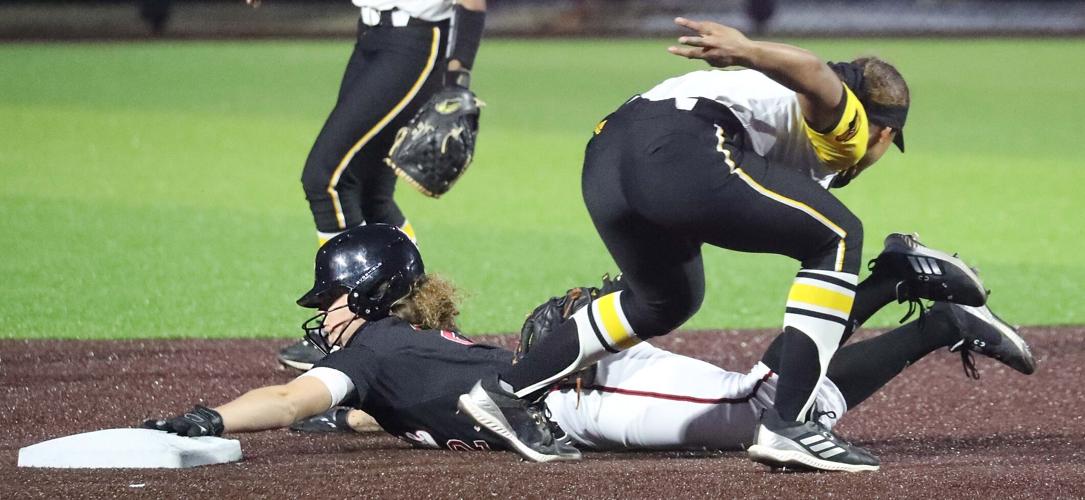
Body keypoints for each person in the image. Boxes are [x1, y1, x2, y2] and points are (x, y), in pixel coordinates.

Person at [455, 17, 991, 472]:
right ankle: (787, 425)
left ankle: (506, 392)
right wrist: (749, 50)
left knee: (664, 301)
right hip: (679, 145)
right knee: (839, 235)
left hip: (605, 159)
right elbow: (816, 75)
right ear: (884, 135)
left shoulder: (789, 132)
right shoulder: (849, 124)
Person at [144, 225, 1036, 470]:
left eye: (332, 297)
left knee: (767, 415)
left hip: (585, 394)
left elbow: (291, 398)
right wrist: (350, 426)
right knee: (796, 409)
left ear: (370, 296)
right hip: (578, 387)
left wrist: (199, 419)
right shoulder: (393, 362)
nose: (322, 316)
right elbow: (401, 411)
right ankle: (933, 318)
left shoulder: (373, 347)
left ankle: (887, 281)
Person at [246, 0, 489, 371]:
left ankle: (346, 326)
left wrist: (458, 76)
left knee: (326, 179)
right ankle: (417, 320)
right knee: (373, 192)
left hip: (417, 43)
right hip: (371, 36)